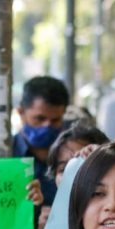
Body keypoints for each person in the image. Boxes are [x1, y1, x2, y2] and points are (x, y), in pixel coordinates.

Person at [13, 75, 70, 210]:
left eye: (55, 120)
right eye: (40, 118)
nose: (47, 127)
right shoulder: (5, 154)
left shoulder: (73, 156)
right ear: (21, 113)